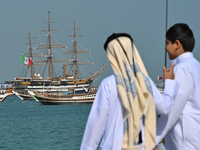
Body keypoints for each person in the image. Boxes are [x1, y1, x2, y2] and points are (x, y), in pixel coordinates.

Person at [80, 33, 179, 150]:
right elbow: (165, 109)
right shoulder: (146, 82)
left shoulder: (108, 84)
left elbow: (96, 125)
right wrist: (169, 83)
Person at [155, 23, 200, 150]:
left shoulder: (181, 69)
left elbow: (172, 111)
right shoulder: (197, 66)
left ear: (177, 44)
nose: (165, 48)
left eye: (167, 43)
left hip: (184, 142)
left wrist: (153, 139)